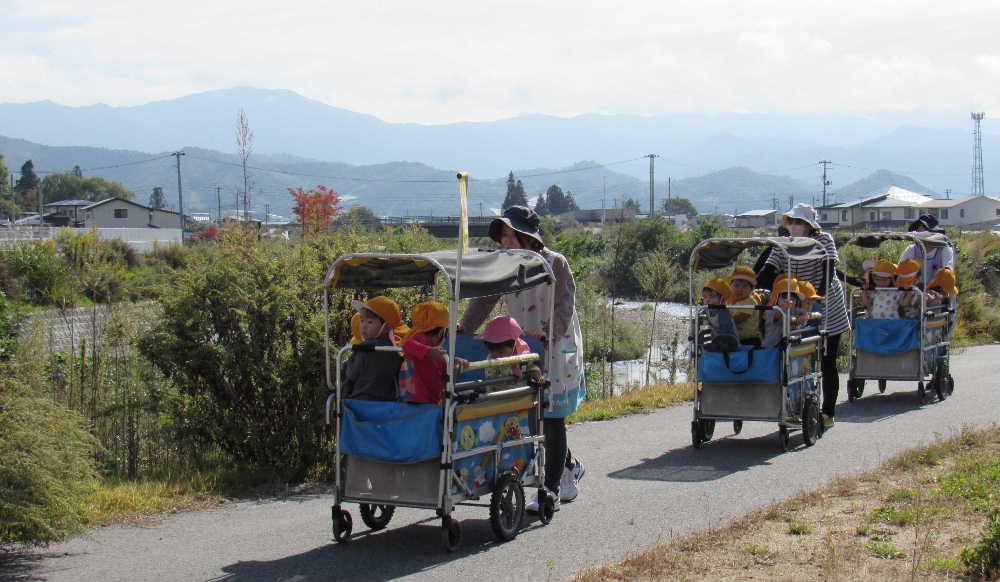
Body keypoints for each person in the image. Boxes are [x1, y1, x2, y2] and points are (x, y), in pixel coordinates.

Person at [459, 205, 585, 508]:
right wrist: (464, 328)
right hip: (521, 349)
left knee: (552, 418)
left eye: (509, 235)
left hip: (553, 347)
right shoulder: (505, 267)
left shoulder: (555, 263)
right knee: (532, 416)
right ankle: (568, 468)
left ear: (528, 237)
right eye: (502, 236)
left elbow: (564, 305)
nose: (504, 242)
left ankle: (552, 489)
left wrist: (548, 333)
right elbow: (484, 300)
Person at [756, 204, 850, 428]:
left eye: (799, 222)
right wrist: (756, 290)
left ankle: (828, 411)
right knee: (796, 353)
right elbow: (767, 273)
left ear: (810, 226)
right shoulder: (783, 244)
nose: (795, 226)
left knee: (827, 359)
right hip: (794, 305)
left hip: (827, 303)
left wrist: (817, 296)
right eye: (792, 222)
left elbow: (828, 270)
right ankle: (793, 404)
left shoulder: (823, 240)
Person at [401, 300, 467, 404]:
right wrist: (429, 351)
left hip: (431, 400)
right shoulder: (421, 339)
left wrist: (453, 362)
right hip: (419, 401)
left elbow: (443, 370)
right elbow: (407, 345)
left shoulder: (436, 351)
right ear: (441, 331)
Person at [342, 296, 407, 401]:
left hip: (359, 403)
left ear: (386, 327)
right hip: (385, 405)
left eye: (370, 322)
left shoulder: (363, 349)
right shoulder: (395, 352)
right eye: (362, 321)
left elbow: (351, 374)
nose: (363, 326)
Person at [476, 315, 543, 384]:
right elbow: (492, 380)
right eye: (492, 350)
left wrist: (535, 373)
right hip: (502, 393)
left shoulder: (522, 355)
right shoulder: (491, 360)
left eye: (501, 351)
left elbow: (530, 366)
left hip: (523, 392)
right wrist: (512, 371)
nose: (496, 355)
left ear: (514, 344)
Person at [899, 214, 955, 285]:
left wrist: (936, 293)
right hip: (916, 291)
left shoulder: (945, 249)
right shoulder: (912, 249)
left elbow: (948, 275)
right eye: (918, 230)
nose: (919, 232)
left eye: (924, 229)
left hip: (938, 291)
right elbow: (900, 271)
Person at [701, 278, 740, 352]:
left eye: (712, 296)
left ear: (722, 299)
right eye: (705, 297)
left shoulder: (723, 312)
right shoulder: (705, 311)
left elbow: (725, 332)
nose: (708, 300)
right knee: (704, 334)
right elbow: (705, 327)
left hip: (729, 343)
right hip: (716, 341)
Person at [728, 266, 761, 347]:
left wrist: (724, 320)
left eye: (745, 286)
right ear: (730, 286)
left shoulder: (750, 302)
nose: (740, 289)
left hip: (750, 340)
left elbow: (741, 318)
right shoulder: (731, 302)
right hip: (736, 339)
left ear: (751, 289)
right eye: (736, 285)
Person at [762, 278, 801, 347]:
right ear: (777, 298)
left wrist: (804, 316)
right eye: (785, 297)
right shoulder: (772, 310)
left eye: (793, 298)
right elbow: (774, 318)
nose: (789, 300)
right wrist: (784, 310)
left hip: (790, 349)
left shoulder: (795, 310)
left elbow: (805, 314)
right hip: (772, 348)